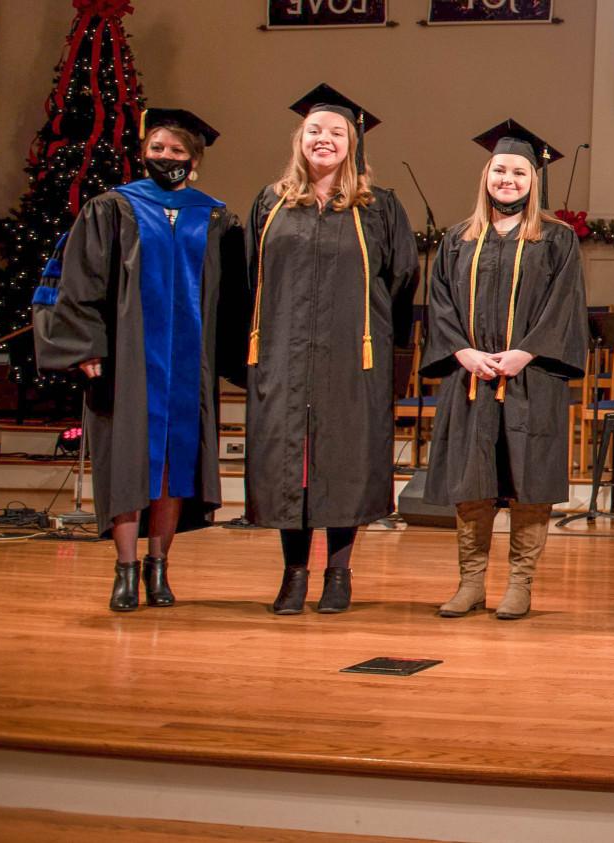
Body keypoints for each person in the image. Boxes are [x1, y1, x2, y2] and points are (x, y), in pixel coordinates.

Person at [33, 108, 244, 612]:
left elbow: (235, 298)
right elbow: (79, 282)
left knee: (175, 468)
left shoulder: (216, 218)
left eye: (176, 151)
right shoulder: (112, 208)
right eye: (157, 148)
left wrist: (237, 359)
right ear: (143, 153)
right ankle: (125, 569)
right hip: (127, 365)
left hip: (189, 369)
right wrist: (86, 347)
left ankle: (159, 567)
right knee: (128, 464)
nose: (165, 157)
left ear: (194, 160)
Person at [244, 84, 417, 615]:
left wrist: (381, 345)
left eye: (336, 133)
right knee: (288, 465)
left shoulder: (379, 207)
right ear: (300, 140)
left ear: (353, 144)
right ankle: (293, 574)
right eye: (315, 131)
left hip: (352, 356)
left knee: (343, 461)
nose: (325, 139)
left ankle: (338, 574)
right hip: (283, 353)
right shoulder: (272, 202)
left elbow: (402, 281)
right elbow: (250, 277)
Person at [423, 121, 587, 621]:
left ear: (534, 180)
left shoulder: (556, 240)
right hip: (469, 377)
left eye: (519, 171)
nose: (508, 179)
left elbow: (564, 306)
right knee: (472, 481)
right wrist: (461, 352)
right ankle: (470, 583)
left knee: (527, 479)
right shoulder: (457, 239)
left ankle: (520, 583)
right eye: (500, 170)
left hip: (530, 379)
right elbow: (440, 304)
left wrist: (526, 353)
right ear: (485, 175)